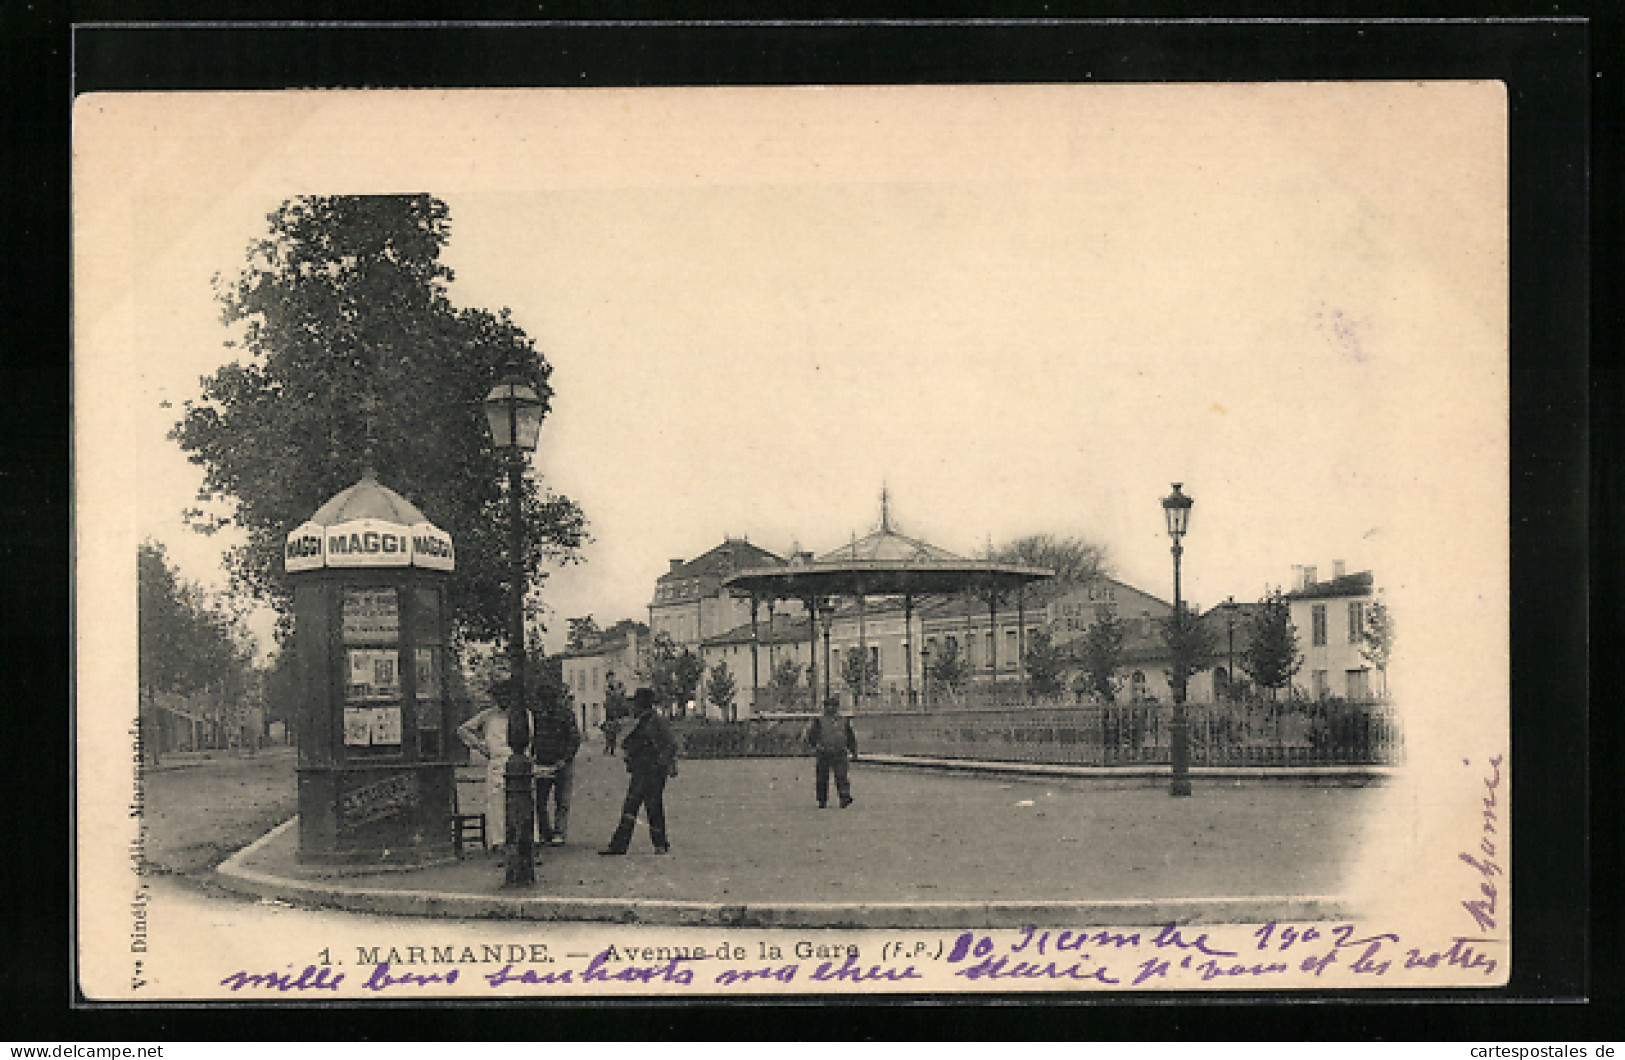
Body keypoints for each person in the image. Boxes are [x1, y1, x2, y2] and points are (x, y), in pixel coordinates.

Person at [599, 688, 679, 856]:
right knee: (649, 806)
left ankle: (621, 846)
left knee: (637, 806)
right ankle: (659, 844)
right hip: (643, 770)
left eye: (635, 703)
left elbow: (670, 744)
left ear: (642, 704)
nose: (633, 706)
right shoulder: (645, 721)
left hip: (651, 771)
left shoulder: (654, 721)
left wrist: (661, 764)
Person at [456, 700, 512, 853]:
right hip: (496, 762)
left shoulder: (524, 714)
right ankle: (499, 841)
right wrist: (479, 745)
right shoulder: (488, 715)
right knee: (496, 802)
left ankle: (524, 840)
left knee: (519, 801)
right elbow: (463, 730)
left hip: (517, 761)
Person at [529, 688, 581, 847]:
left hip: (561, 763)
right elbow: (533, 737)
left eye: (549, 700)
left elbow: (574, 739)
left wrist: (565, 759)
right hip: (542, 762)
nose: (546, 704)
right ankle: (546, 832)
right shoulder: (536, 716)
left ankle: (559, 832)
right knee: (540, 800)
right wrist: (533, 756)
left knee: (562, 800)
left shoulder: (565, 715)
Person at [804, 696, 857, 809]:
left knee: (841, 775)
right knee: (822, 777)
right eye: (828, 706)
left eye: (833, 706)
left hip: (840, 751)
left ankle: (844, 797)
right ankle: (822, 799)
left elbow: (850, 736)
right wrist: (815, 746)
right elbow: (812, 736)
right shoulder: (819, 721)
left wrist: (853, 750)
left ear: (837, 708)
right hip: (824, 752)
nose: (831, 708)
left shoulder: (843, 721)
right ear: (825, 708)